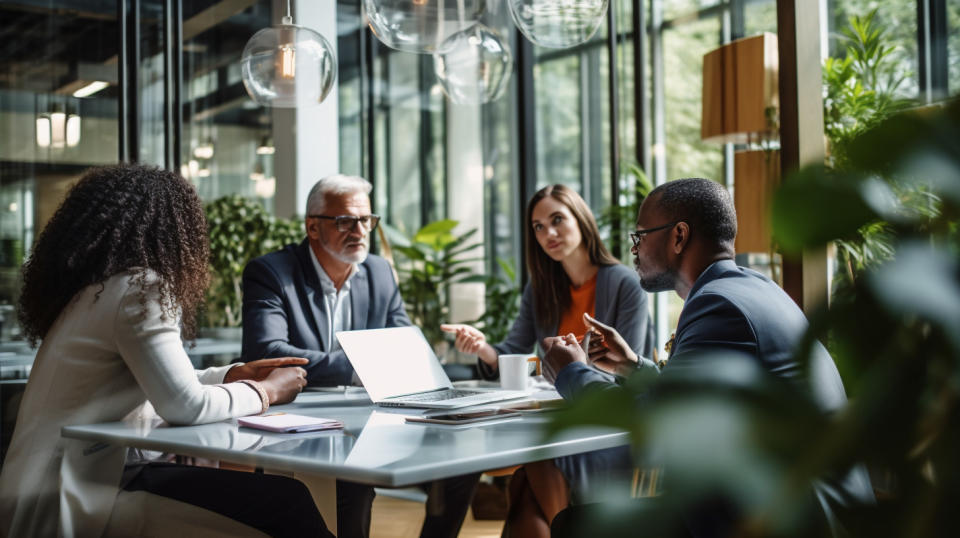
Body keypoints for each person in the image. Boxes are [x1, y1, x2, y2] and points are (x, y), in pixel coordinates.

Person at [0, 164, 330, 538]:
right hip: (78, 493)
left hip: (44, 484)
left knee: (287, 498)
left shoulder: (94, 292)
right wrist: (267, 391)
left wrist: (232, 375)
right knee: (287, 505)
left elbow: (161, 384)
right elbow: (184, 405)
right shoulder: (141, 288)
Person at [541, 178, 875, 537]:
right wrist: (632, 365)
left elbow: (659, 424)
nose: (634, 249)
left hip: (785, 521)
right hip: (793, 507)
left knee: (573, 526)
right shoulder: (749, 287)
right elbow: (704, 399)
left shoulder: (719, 306)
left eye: (641, 236)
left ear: (679, 236)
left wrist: (571, 371)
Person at [241, 174, 478, 538]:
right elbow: (267, 353)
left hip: (373, 419)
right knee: (351, 483)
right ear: (313, 227)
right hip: (304, 421)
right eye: (346, 221)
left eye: (366, 220)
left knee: (461, 462)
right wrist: (360, 366)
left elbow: (406, 344)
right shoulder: (273, 272)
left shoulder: (379, 272)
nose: (360, 230)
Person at [441, 184, 654, 537]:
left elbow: (624, 369)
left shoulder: (623, 283)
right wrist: (481, 347)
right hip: (556, 419)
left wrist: (575, 367)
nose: (548, 233)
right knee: (528, 478)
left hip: (606, 429)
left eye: (557, 220)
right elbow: (513, 350)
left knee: (531, 474)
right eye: (538, 227)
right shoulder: (541, 287)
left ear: (582, 220)